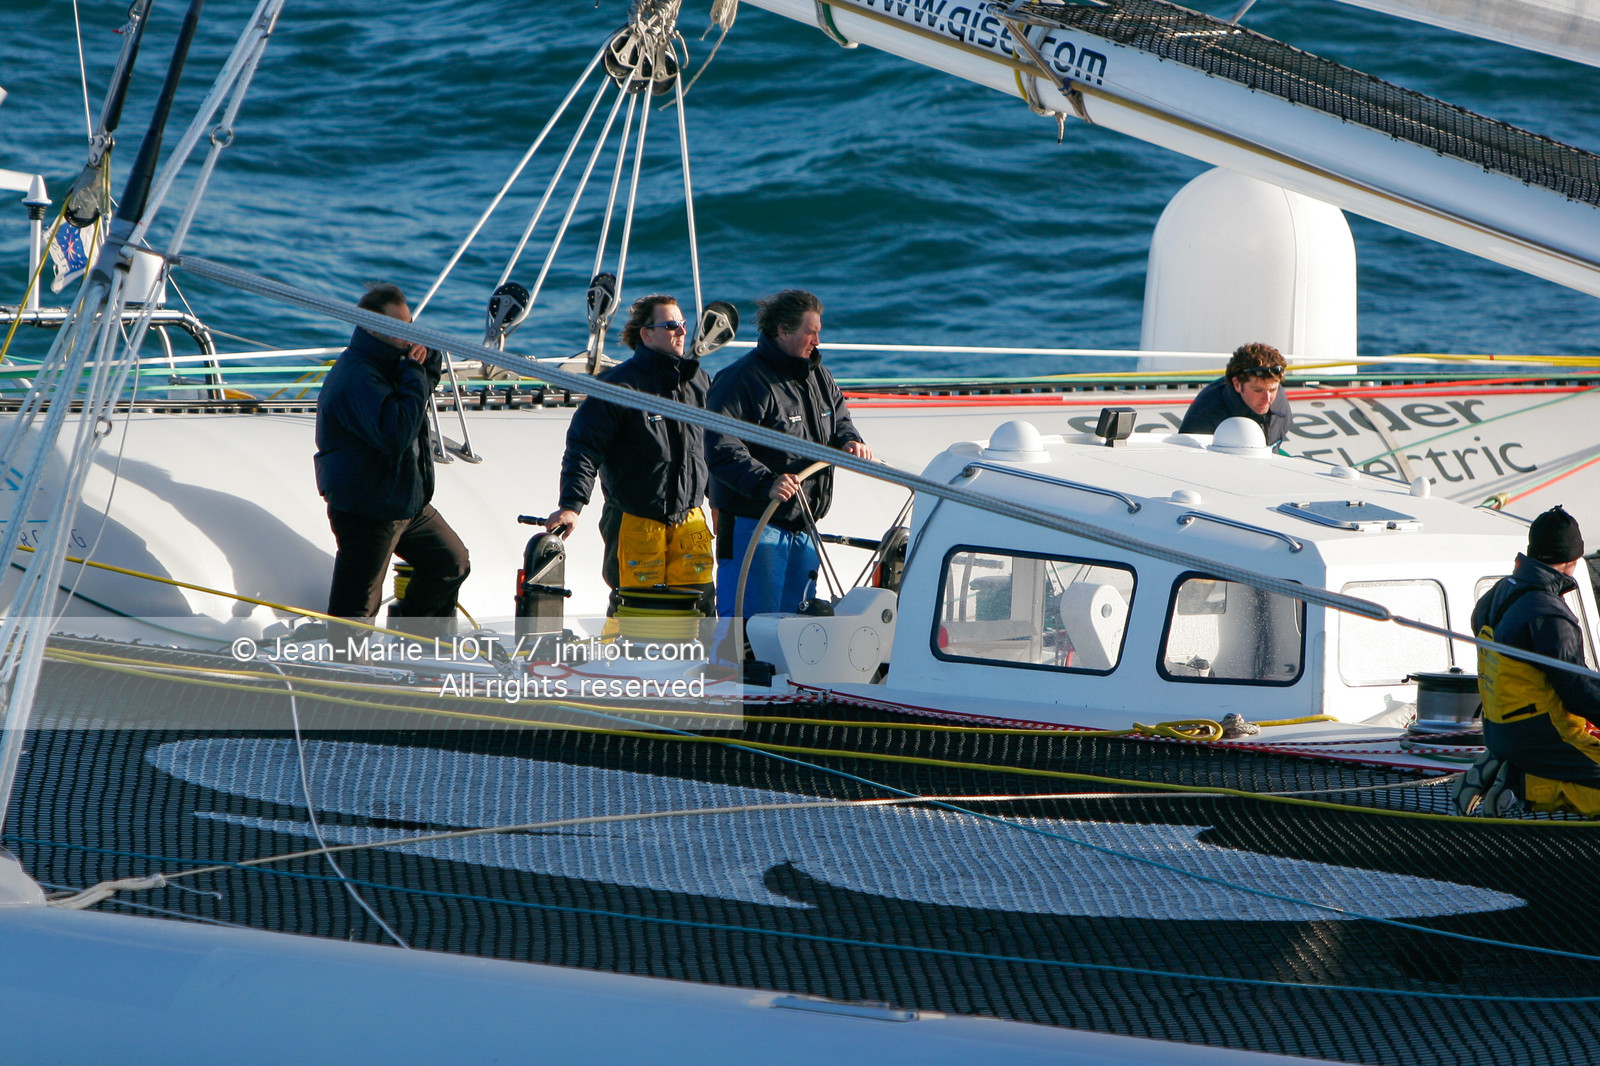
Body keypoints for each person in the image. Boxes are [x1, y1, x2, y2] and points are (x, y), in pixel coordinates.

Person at [705, 289, 872, 617]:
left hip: (805, 524)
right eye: (811, 332)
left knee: (797, 629)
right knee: (748, 627)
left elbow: (840, 421)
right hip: (752, 523)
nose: (818, 341)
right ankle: (732, 670)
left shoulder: (818, 376)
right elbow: (720, 447)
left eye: (818, 332)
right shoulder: (740, 380)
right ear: (783, 331)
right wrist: (766, 482)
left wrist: (850, 441)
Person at [314, 283, 469, 636]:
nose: (406, 335)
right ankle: (342, 671)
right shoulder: (358, 376)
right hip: (367, 507)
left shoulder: (394, 361)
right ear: (371, 327)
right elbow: (396, 434)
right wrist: (415, 372)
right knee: (358, 605)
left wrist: (426, 361)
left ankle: (414, 637)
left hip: (404, 501)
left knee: (450, 561)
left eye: (409, 326)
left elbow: (417, 393)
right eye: (398, 328)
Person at [546, 294, 715, 616]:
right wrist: (571, 505)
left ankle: (696, 664)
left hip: (690, 518)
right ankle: (628, 664)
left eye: (682, 324)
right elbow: (583, 449)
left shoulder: (698, 382)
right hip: (636, 519)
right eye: (670, 325)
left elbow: (712, 447)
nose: (681, 331)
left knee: (700, 606)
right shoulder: (618, 386)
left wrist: (717, 500)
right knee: (636, 609)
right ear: (647, 334)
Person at [1456, 505, 1600, 817]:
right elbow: (1577, 690)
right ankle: (1521, 783)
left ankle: (1508, 764)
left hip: (1497, 730)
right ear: (1574, 560)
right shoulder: (1549, 613)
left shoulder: (1495, 594)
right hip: (1542, 734)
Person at [1177, 342, 1291, 446]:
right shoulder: (1203, 417)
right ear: (1237, 384)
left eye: (1272, 390)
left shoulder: (1280, 404)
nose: (1267, 399)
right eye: (1257, 391)